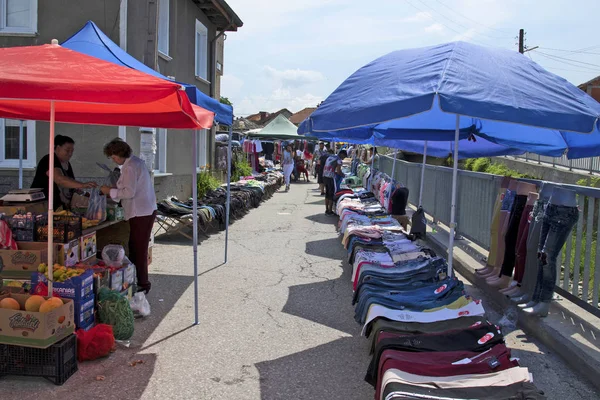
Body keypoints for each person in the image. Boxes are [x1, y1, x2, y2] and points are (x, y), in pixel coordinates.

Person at [100, 138, 157, 294]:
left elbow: (128, 192)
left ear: (118, 154)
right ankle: (134, 280)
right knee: (134, 247)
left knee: (139, 249)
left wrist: (109, 192)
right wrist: (113, 190)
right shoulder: (134, 163)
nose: (113, 160)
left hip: (141, 212)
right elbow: (127, 187)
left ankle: (143, 284)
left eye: (113, 157)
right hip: (143, 210)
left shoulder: (130, 167)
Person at [31, 135, 97, 210]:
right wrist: (82, 185)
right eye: (67, 150)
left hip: (61, 207)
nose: (70, 154)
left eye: (72, 151)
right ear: (58, 148)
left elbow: (71, 185)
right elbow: (60, 179)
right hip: (45, 206)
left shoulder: (67, 164)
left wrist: (87, 194)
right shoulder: (49, 160)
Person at [323, 149, 348, 215]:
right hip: (331, 177)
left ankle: (326, 209)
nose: (343, 158)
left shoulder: (330, 157)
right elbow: (339, 171)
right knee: (332, 194)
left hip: (325, 176)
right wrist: (344, 176)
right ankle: (330, 211)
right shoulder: (338, 160)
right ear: (342, 154)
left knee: (327, 193)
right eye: (344, 157)